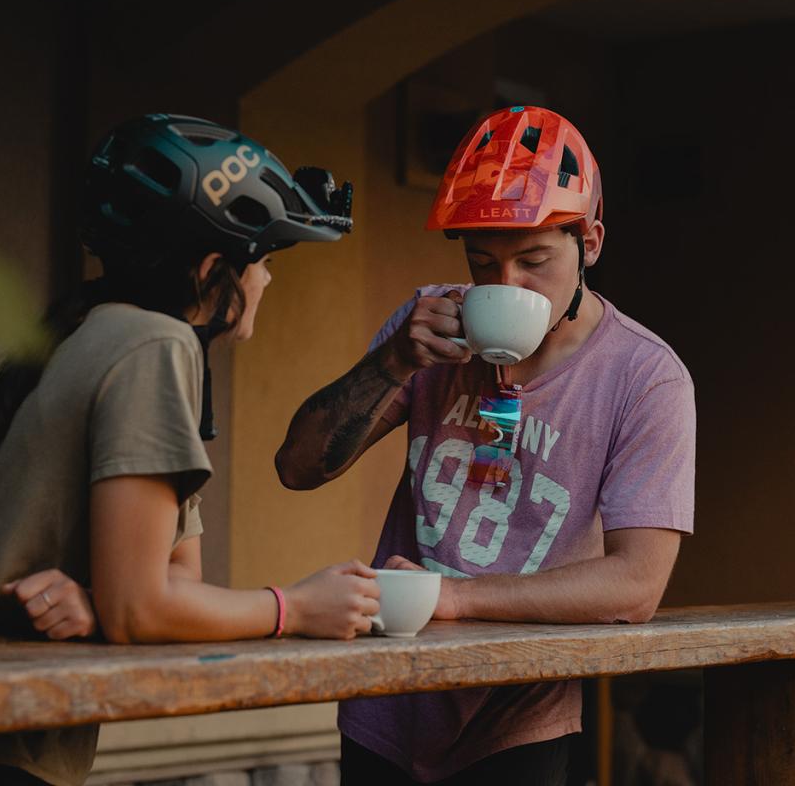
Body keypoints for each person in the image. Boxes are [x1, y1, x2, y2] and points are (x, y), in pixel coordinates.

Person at [0, 114, 382, 786]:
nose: (268, 280)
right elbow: (144, 608)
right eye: (263, 261)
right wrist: (296, 607)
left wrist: (99, 602)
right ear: (213, 271)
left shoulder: (100, 328)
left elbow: (171, 587)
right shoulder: (154, 346)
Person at [275, 105, 696, 785]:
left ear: (590, 242)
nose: (506, 286)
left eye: (534, 261)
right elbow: (296, 468)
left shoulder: (645, 377)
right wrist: (393, 361)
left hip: (517, 716)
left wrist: (455, 597)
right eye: (482, 263)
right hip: (386, 700)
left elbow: (636, 584)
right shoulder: (427, 328)